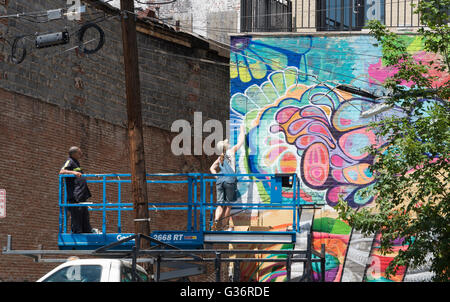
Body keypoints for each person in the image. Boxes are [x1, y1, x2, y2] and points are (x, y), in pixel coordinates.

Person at [209, 124, 246, 231]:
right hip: (230, 181)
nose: (229, 144)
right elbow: (241, 141)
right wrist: (242, 130)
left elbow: (211, 168)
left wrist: (218, 177)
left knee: (220, 205)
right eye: (227, 143)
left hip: (220, 182)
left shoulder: (219, 157)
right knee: (228, 205)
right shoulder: (231, 151)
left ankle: (215, 223)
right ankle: (224, 226)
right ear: (226, 147)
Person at [59, 146, 94, 234]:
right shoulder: (69, 161)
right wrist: (74, 172)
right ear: (73, 153)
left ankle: (87, 231)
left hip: (81, 196)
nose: (81, 154)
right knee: (76, 216)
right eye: (79, 152)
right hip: (75, 196)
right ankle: (77, 233)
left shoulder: (76, 162)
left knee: (85, 216)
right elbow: (62, 171)